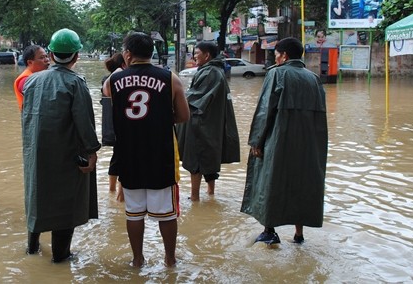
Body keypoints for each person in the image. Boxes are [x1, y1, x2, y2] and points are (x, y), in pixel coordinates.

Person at [104, 32, 190, 267]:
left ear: (128, 54)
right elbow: (183, 115)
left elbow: (106, 92)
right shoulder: (169, 78)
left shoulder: (114, 79)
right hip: (160, 154)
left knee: (133, 213)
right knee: (167, 213)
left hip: (129, 154)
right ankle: (170, 260)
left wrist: (123, 69)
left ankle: (137, 260)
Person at [22, 28, 100, 263]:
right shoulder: (76, 83)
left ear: (52, 54)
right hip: (66, 153)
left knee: (37, 196)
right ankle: (60, 257)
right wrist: (91, 152)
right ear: (76, 56)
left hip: (35, 152)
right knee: (66, 202)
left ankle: (32, 249)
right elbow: (84, 123)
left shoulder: (32, 81)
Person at [241, 37, 327, 246]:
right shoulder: (314, 79)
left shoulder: (277, 73)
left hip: (279, 140)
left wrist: (256, 142)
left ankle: (269, 231)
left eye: (276, 54)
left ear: (284, 56)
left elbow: (265, 110)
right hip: (309, 143)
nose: (275, 58)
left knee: (270, 180)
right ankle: (299, 235)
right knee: (303, 182)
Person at [176, 41, 240, 202]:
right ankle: (211, 194)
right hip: (211, 124)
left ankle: (195, 197)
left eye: (196, 53)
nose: (194, 56)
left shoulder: (209, 72)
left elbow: (194, 98)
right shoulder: (214, 71)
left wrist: (174, 103)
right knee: (209, 160)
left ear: (207, 55)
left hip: (201, 124)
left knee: (195, 161)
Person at [100, 53, 126, 198]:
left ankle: (112, 191)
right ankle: (119, 196)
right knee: (124, 158)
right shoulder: (115, 79)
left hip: (113, 127)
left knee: (117, 157)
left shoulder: (109, 79)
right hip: (121, 127)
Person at [13, 45, 50, 110]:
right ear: (30, 62)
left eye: (46, 56)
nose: (47, 60)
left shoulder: (38, 76)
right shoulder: (25, 80)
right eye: (42, 57)